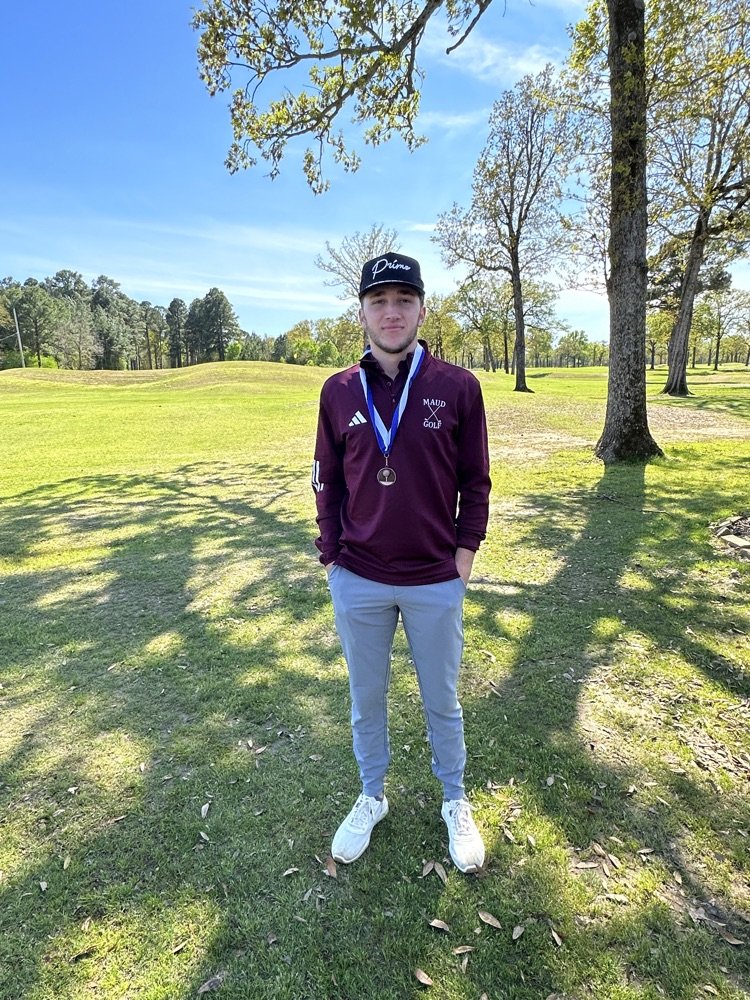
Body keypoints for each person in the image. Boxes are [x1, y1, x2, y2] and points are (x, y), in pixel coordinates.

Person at [311, 251, 491, 873]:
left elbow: (477, 480)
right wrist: (332, 557)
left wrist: (463, 557)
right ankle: (372, 795)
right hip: (359, 577)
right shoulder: (338, 391)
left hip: (434, 579)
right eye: (379, 301)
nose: (391, 313)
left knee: (442, 699)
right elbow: (326, 481)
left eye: (403, 300)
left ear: (421, 308)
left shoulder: (458, 387)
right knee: (367, 699)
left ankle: (454, 799)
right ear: (360, 310)